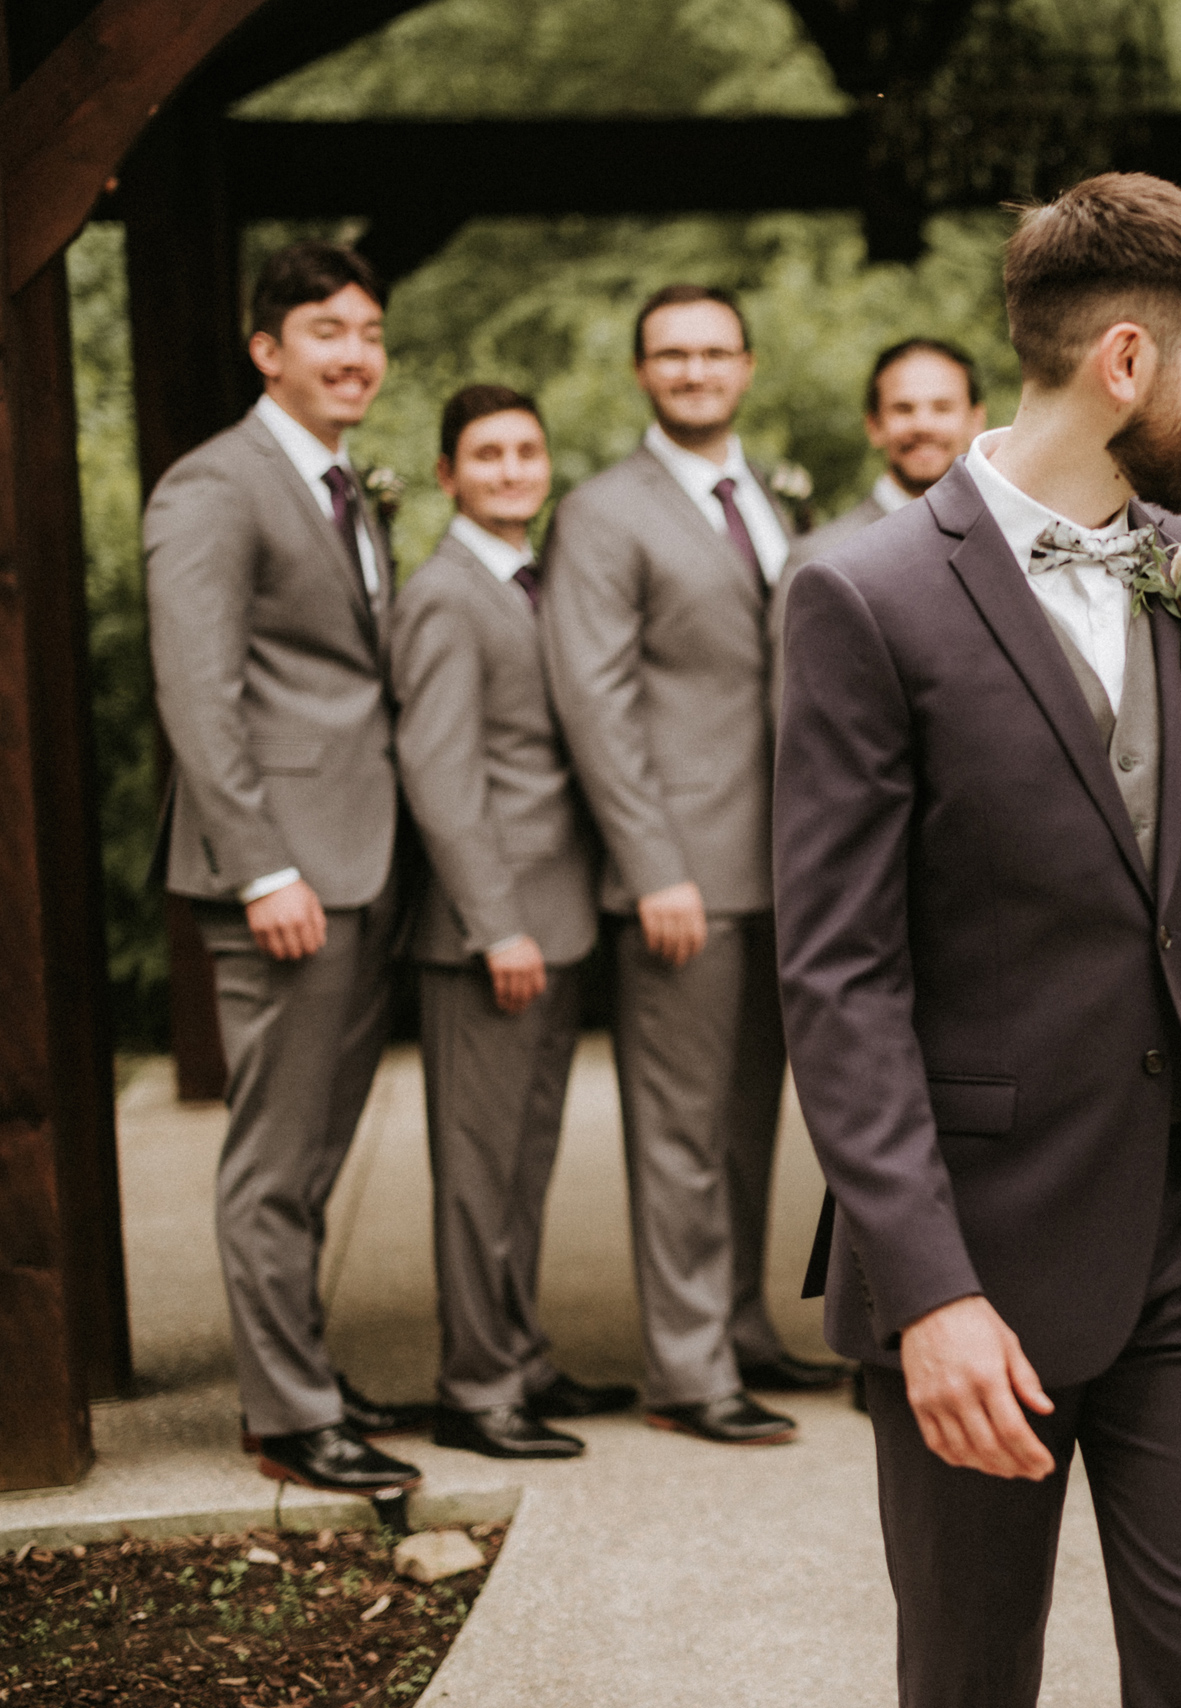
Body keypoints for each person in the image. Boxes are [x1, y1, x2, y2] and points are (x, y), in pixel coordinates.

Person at [773, 172, 1181, 1708]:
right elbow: (841, 979)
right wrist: (928, 1292)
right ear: (1125, 362)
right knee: (970, 1675)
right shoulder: (861, 598)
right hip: (975, 1256)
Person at [144, 241, 431, 1495]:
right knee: (276, 1152)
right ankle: (286, 1412)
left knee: (314, 1147)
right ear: (268, 350)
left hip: (358, 863)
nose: (355, 351)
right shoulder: (213, 487)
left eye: (369, 329)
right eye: (326, 329)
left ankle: (299, 1370)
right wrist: (261, 868)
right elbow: (199, 696)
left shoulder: (342, 487)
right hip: (283, 877)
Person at [542, 283, 842, 1449]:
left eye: (715, 351)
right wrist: (651, 863)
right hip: (680, 876)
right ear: (641, 375)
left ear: (748, 366)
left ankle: (736, 1329)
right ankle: (683, 1366)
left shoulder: (768, 499)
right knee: (675, 1131)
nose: (695, 370)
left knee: (741, 1121)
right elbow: (595, 700)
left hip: (780, 866)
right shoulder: (603, 513)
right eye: (671, 354)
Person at [390, 385, 636, 1460]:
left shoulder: (536, 585)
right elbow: (440, 776)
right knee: (478, 1168)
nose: (509, 470)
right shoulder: (444, 595)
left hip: (556, 917)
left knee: (525, 1164)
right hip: (491, 933)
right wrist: (496, 926)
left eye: (525, 451)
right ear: (447, 474)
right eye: (485, 455)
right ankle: (475, 1385)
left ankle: (521, 1357)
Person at [775, 339, 987, 724]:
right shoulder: (818, 558)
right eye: (903, 409)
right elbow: (797, 720)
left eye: (942, 408)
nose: (922, 425)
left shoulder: (1012, 542)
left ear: (976, 420)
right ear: (874, 425)